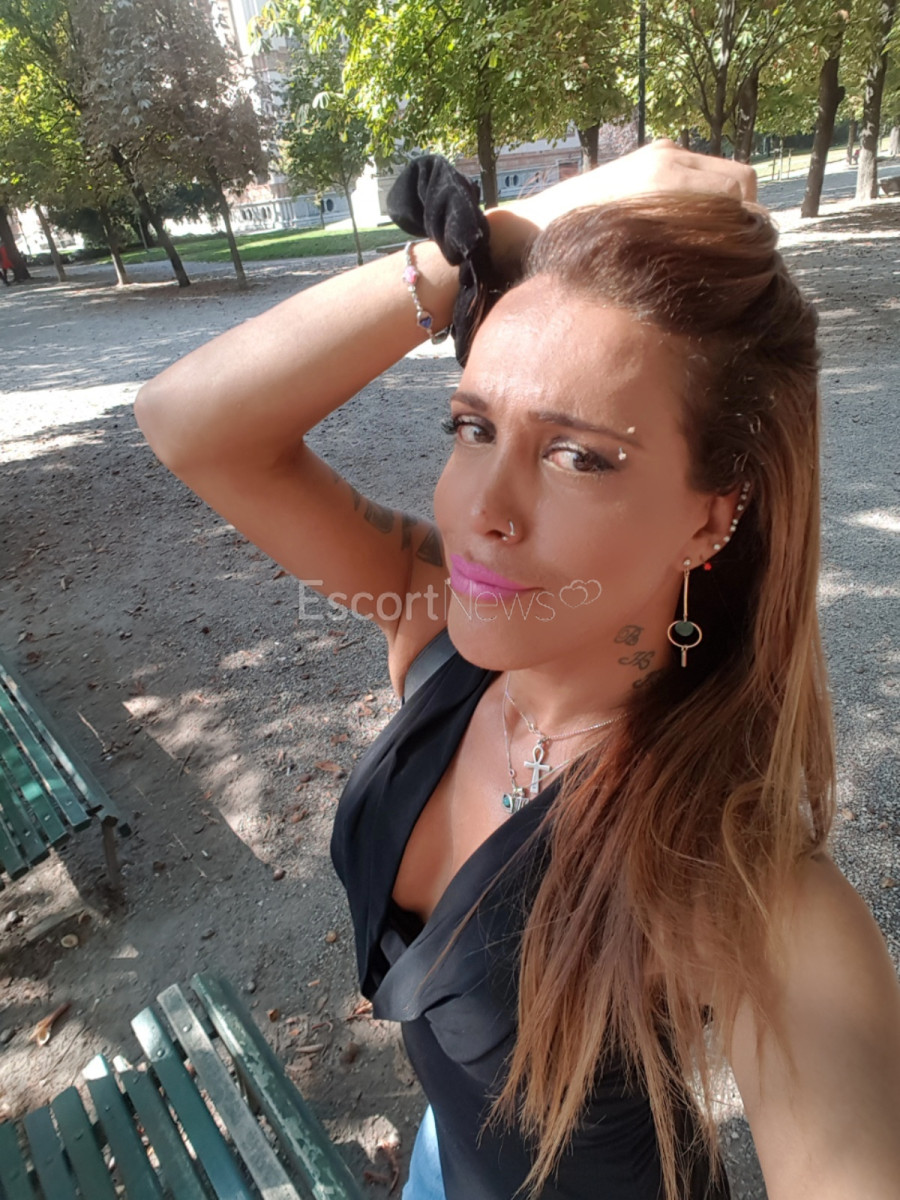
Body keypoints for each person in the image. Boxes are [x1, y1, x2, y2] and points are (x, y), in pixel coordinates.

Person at [134, 140, 900, 1200]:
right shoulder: (440, 632)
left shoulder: (740, 880)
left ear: (711, 516)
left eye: (577, 455)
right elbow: (188, 422)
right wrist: (489, 239)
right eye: (473, 426)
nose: (480, 513)